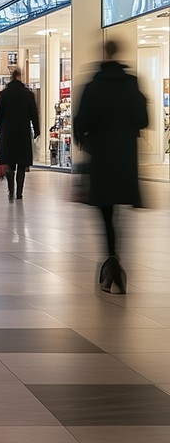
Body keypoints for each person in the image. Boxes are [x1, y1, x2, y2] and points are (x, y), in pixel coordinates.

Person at [74, 39, 148, 294]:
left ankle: (111, 260)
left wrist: (85, 141)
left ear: (104, 54)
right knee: (121, 210)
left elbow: (80, 121)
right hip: (125, 157)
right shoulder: (132, 84)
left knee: (106, 211)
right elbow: (143, 119)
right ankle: (115, 261)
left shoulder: (93, 85)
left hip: (102, 157)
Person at [0, 68, 40, 201]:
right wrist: (36, 130)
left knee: (9, 162)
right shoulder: (28, 95)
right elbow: (34, 115)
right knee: (22, 163)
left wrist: (2, 127)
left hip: (8, 134)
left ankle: (10, 191)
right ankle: (19, 193)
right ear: (20, 77)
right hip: (23, 133)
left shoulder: (4, 94)